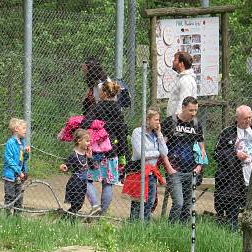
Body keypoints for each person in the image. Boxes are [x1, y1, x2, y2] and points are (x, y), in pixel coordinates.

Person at [84, 80, 128, 215]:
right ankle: (102, 214)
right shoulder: (118, 111)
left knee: (85, 178)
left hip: (95, 150)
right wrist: (122, 155)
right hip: (111, 151)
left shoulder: (97, 107)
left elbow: (86, 123)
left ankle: (95, 205)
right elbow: (122, 134)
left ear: (103, 93)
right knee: (108, 183)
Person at [162, 96, 205, 224]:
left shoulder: (196, 124)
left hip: (191, 170)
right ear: (183, 107)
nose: (194, 113)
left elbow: (202, 149)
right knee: (179, 203)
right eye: (191, 110)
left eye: (196, 110)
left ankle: (183, 229)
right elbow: (162, 148)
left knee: (188, 205)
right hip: (174, 170)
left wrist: (199, 167)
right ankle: (171, 228)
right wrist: (169, 168)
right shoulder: (171, 122)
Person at [213, 105, 252, 230]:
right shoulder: (227, 133)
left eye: (250, 117)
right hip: (232, 179)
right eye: (244, 118)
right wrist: (234, 154)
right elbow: (217, 153)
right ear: (237, 118)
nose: (248, 120)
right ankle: (231, 232)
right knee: (232, 210)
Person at [126, 109, 171, 220]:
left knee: (150, 202)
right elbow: (140, 154)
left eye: (159, 120)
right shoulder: (137, 132)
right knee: (138, 203)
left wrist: (160, 134)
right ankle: (134, 225)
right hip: (139, 172)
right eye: (156, 120)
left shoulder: (156, 135)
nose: (158, 123)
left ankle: (144, 226)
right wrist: (157, 153)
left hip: (151, 174)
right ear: (147, 119)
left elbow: (165, 152)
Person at [59, 129, 96, 218]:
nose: (89, 143)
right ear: (79, 141)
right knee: (75, 205)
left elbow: (93, 167)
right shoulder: (73, 155)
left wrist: (90, 157)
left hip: (83, 183)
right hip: (75, 183)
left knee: (79, 205)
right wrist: (64, 167)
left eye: (89, 141)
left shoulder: (86, 154)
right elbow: (66, 165)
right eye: (87, 141)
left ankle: (65, 218)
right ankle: (68, 221)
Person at [2, 118, 30, 215]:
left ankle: (17, 218)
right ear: (16, 129)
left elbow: (23, 159)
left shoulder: (22, 143)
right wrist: (19, 171)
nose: (26, 130)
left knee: (19, 197)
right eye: (24, 128)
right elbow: (9, 159)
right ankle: (7, 216)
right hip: (10, 176)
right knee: (10, 196)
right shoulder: (10, 143)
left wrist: (26, 153)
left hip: (19, 176)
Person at [166, 51, 199, 118]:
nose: (173, 62)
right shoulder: (183, 78)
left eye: (175, 60)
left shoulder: (186, 80)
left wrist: (177, 121)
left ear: (181, 64)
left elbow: (184, 102)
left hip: (178, 122)